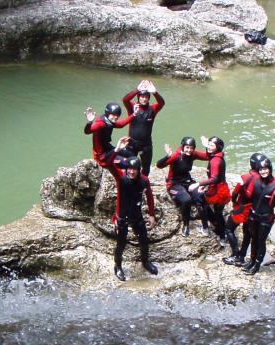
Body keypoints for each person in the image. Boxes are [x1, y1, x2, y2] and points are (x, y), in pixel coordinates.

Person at [105, 136, 159, 281]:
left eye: (134, 170)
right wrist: (117, 150)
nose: (132, 172)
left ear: (138, 170)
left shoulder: (143, 180)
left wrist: (152, 214)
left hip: (136, 214)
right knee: (121, 243)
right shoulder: (121, 178)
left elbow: (149, 196)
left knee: (143, 240)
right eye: (129, 169)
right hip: (122, 216)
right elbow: (107, 163)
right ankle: (118, 266)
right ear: (126, 169)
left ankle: (145, 262)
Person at [156, 137, 210, 237]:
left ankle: (205, 226)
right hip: (174, 183)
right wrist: (167, 156)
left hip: (187, 181)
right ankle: (186, 225)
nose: (189, 150)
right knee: (186, 200)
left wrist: (206, 147)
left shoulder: (193, 154)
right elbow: (159, 165)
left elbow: (208, 156)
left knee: (200, 197)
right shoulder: (176, 155)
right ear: (183, 147)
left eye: (191, 148)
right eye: (187, 147)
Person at [222, 153, 266, 266]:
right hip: (254, 210)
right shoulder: (264, 179)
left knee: (229, 228)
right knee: (247, 234)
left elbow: (235, 193)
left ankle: (236, 255)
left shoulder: (246, 177)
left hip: (243, 208)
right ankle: (241, 256)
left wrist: (235, 203)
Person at [241, 157, 275, 275]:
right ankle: (252, 261)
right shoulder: (256, 180)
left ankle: (257, 265)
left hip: (266, 218)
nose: (263, 172)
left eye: (266, 169)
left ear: (270, 169)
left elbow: (272, 205)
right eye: (261, 169)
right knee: (253, 239)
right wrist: (242, 185)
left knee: (260, 241)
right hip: (253, 215)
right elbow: (249, 195)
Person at [190, 136, 231, 245]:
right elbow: (210, 156)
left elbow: (214, 178)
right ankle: (223, 236)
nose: (209, 146)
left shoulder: (215, 161)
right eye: (209, 144)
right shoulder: (218, 156)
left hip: (217, 191)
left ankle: (205, 229)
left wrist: (198, 184)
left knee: (199, 201)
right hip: (222, 188)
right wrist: (206, 146)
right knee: (218, 213)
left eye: (212, 145)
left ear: (218, 147)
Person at [122, 80, 165, 176]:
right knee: (130, 166)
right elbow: (125, 100)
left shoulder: (153, 109)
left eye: (146, 97)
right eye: (142, 96)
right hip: (132, 143)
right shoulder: (132, 107)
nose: (144, 99)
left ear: (149, 98)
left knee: (146, 168)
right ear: (138, 97)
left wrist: (155, 92)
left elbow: (162, 103)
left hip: (146, 144)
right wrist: (137, 90)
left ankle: (143, 186)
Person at [84, 103, 135, 169]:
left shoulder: (109, 121)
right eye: (113, 115)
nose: (116, 117)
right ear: (108, 114)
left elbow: (121, 124)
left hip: (108, 148)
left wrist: (134, 114)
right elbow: (87, 131)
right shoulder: (101, 123)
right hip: (102, 156)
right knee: (126, 163)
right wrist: (90, 122)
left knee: (130, 154)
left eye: (117, 115)